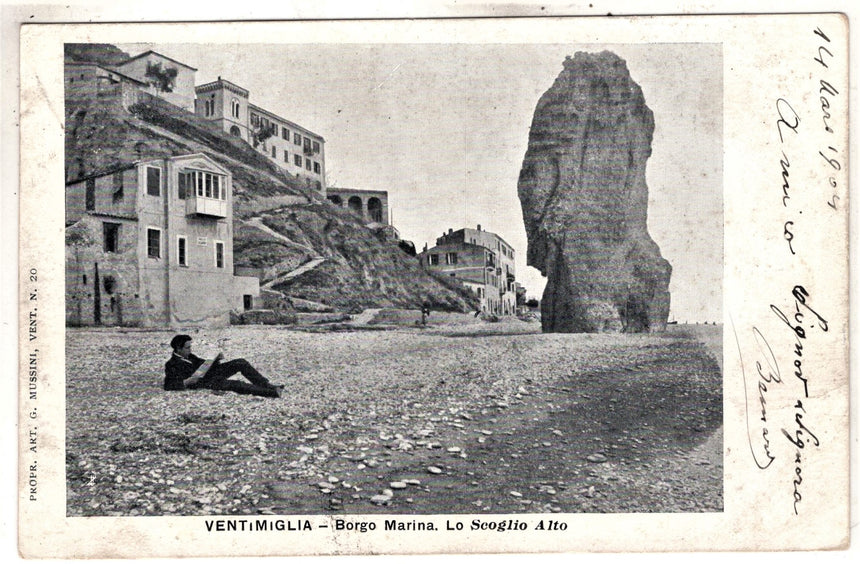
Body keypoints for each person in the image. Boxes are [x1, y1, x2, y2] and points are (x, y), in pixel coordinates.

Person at [163, 334, 282, 398]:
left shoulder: (190, 356)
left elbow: (203, 364)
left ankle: (267, 385)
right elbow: (168, 385)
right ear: (178, 348)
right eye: (188, 347)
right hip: (204, 382)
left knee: (240, 362)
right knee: (235, 384)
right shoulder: (171, 364)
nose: (190, 350)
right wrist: (187, 382)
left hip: (209, 373)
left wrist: (215, 360)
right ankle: (272, 393)